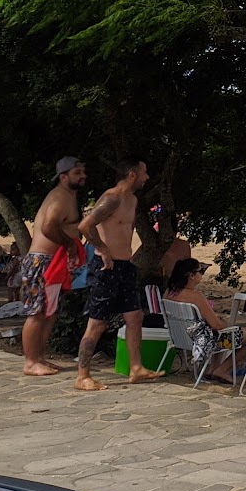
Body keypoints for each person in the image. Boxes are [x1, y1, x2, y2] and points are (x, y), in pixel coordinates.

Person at [73, 159, 163, 391]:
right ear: (132, 174)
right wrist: (102, 249)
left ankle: (136, 368)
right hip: (107, 267)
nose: (147, 177)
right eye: (144, 172)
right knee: (98, 322)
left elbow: (126, 231)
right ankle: (82, 376)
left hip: (124, 267)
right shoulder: (111, 197)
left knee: (135, 317)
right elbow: (85, 226)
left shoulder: (132, 200)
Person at [17, 156, 88, 377]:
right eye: (77, 173)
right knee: (37, 312)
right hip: (41, 261)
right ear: (63, 176)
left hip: (52, 262)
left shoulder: (68, 197)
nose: (83, 176)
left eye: (83, 172)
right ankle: (30, 362)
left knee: (50, 312)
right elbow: (48, 227)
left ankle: (38, 357)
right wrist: (69, 244)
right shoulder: (59, 198)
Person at [164, 258, 246, 383]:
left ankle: (213, 369)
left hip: (181, 338)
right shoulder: (196, 297)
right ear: (191, 276)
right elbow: (217, 326)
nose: (202, 274)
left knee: (222, 330)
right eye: (201, 271)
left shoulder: (169, 293)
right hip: (204, 342)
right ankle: (223, 369)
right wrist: (226, 324)